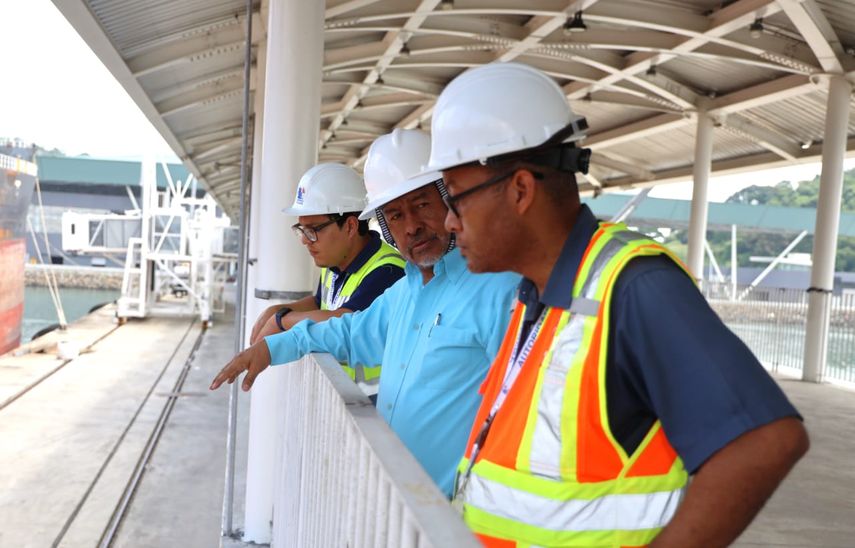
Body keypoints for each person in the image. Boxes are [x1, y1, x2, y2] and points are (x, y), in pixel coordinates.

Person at [426, 62, 809, 547]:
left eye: (455, 198)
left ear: (521, 190)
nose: (447, 223)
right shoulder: (535, 298)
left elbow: (766, 441)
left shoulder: (635, 288)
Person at [210, 129, 520, 497]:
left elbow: (517, 414)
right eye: (394, 214)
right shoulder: (405, 291)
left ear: (450, 202)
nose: (411, 226)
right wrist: (271, 348)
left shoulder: (499, 288)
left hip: (453, 518)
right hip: (399, 502)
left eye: (422, 205)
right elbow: (348, 332)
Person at [248, 163, 405, 396]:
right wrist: (279, 309)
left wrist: (283, 320)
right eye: (301, 230)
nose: (305, 240)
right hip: (344, 401)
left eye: (313, 230)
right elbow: (319, 303)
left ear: (350, 226)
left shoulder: (387, 271)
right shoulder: (334, 262)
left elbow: (344, 321)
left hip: (373, 411)